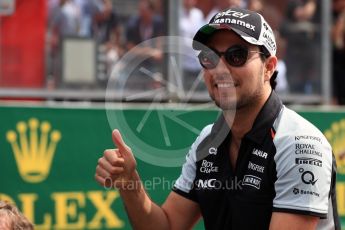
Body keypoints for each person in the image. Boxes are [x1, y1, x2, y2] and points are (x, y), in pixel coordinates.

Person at [95, 7, 340, 229]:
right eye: (209, 57)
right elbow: (166, 225)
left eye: (236, 55)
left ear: (269, 67)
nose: (220, 69)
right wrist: (130, 183)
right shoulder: (207, 142)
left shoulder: (299, 143)